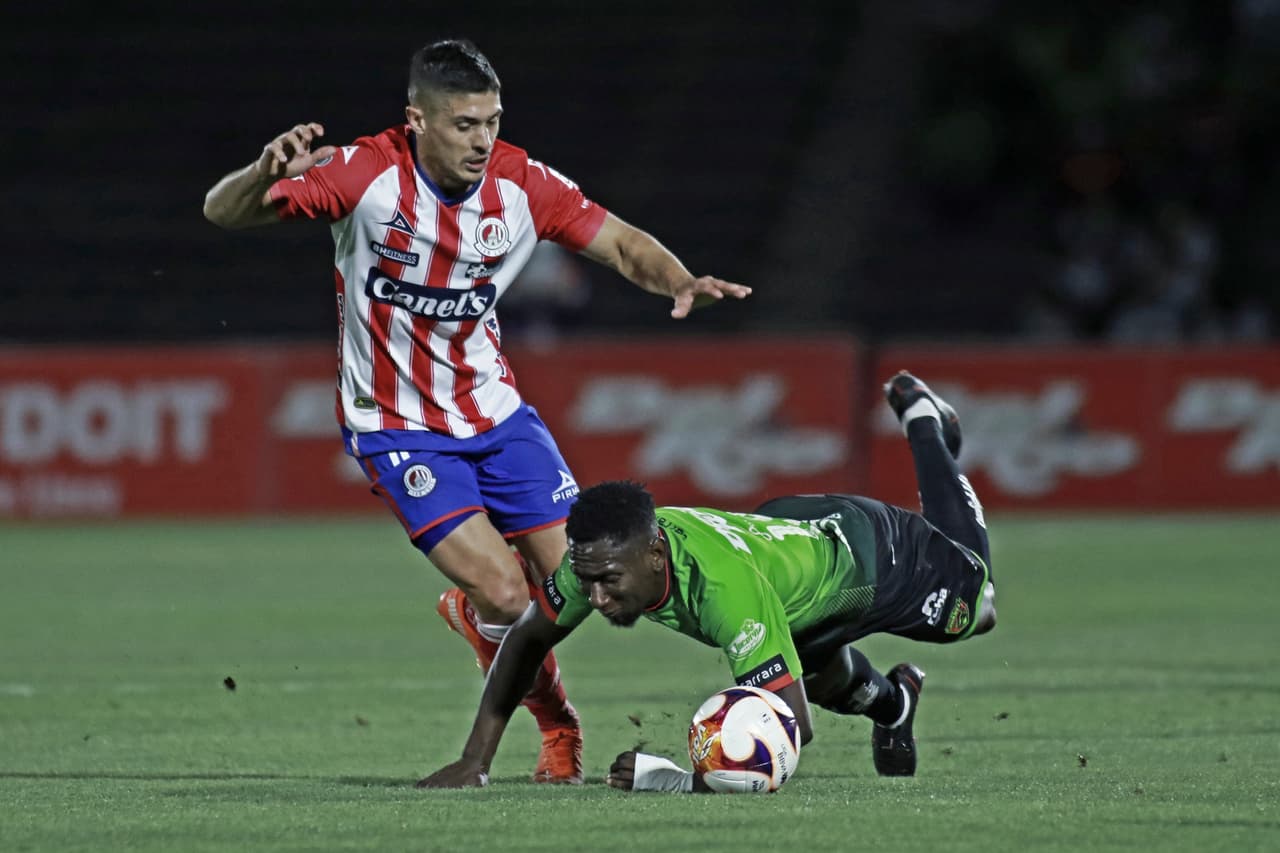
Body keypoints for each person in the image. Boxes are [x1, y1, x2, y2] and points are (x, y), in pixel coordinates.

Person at [202, 39, 750, 785]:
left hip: (495, 414)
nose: (482, 139)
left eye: (491, 121)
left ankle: (480, 626)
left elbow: (619, 243)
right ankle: (558, 725)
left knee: (579, 581)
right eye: (464, 124)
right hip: (396, 427)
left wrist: (678, 278)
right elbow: (222, 211)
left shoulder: (522, 184)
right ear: (416, 121)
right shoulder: (364, 175)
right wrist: (262, 172)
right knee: (503, 589)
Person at [419, 371, 997, 791]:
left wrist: (675, 782)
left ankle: (924, 422)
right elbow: (524, 641)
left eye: (609, 582)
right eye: (588, 581)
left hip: (877, 557)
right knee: (820, 673)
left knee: (977, 606)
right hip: (786, 552)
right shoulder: (594, 559)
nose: (596, 598)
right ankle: (894, 704)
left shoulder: (724, 593)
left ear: (653, 554)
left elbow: (792, 728)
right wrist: (476, 760)